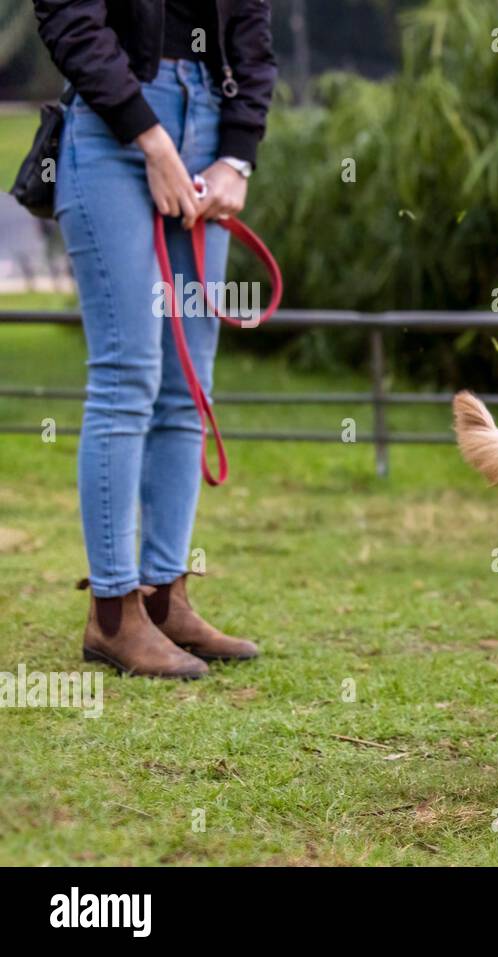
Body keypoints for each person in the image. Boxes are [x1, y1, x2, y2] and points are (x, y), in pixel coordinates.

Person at [33, 1, 277, 678]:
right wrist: (149, 136)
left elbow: (252, 31)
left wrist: (238, 156)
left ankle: (164, 594)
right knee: (127, 373)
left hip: (208, 121)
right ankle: (113, 614)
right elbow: (67, 16)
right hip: (112, 128)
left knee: (186, 384)